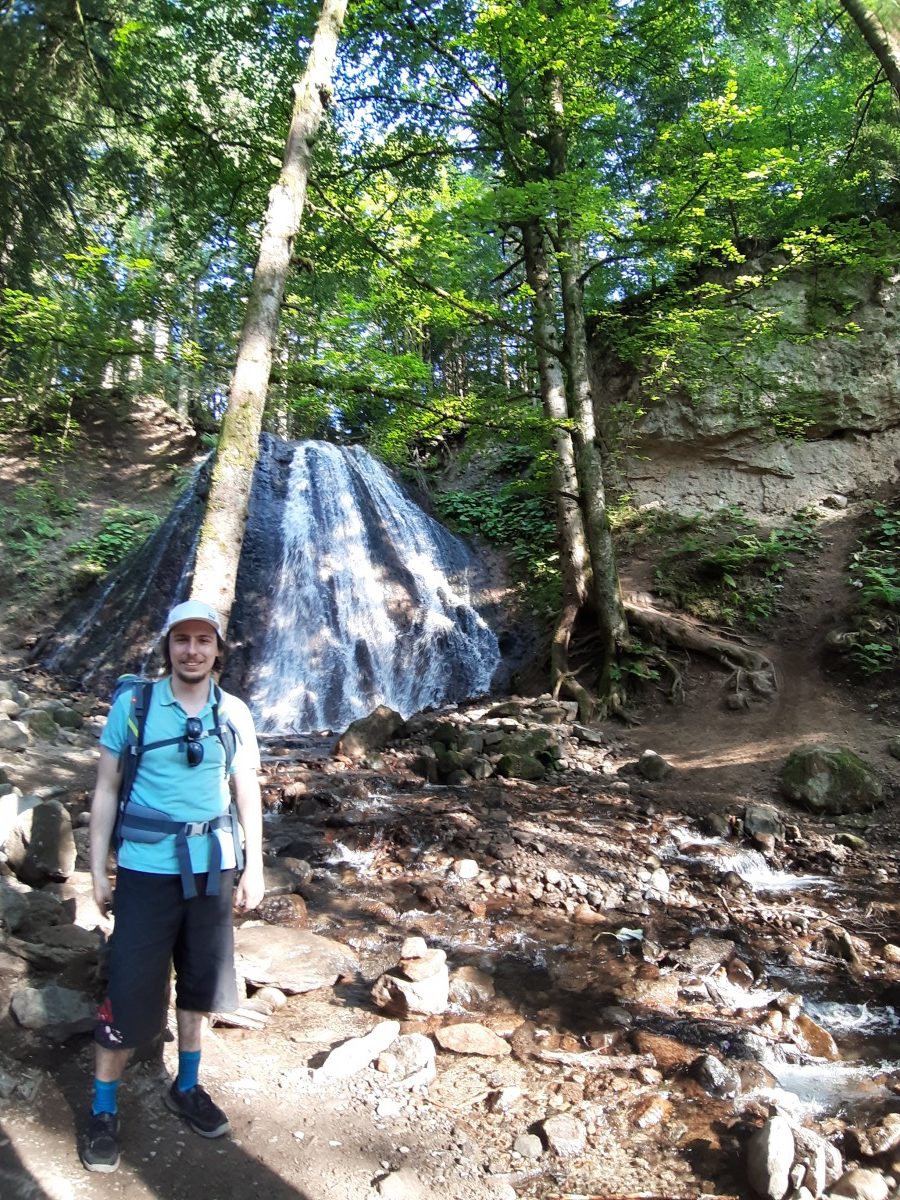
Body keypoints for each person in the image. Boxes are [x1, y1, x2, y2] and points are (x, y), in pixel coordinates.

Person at [79, 599, 265, 1174]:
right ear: (168, 646)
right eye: (181, 640)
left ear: (217, 650)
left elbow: (246, 791)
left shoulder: (233, 712)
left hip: (213, 867)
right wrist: (95, 867)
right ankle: (103, 1108)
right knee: (131, 987)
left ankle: (185, 1086)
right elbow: (106, 788)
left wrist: (254, 865)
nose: (192, 650)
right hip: (145, 869)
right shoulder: (133, 706)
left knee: (200, 984)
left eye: (203, 641)